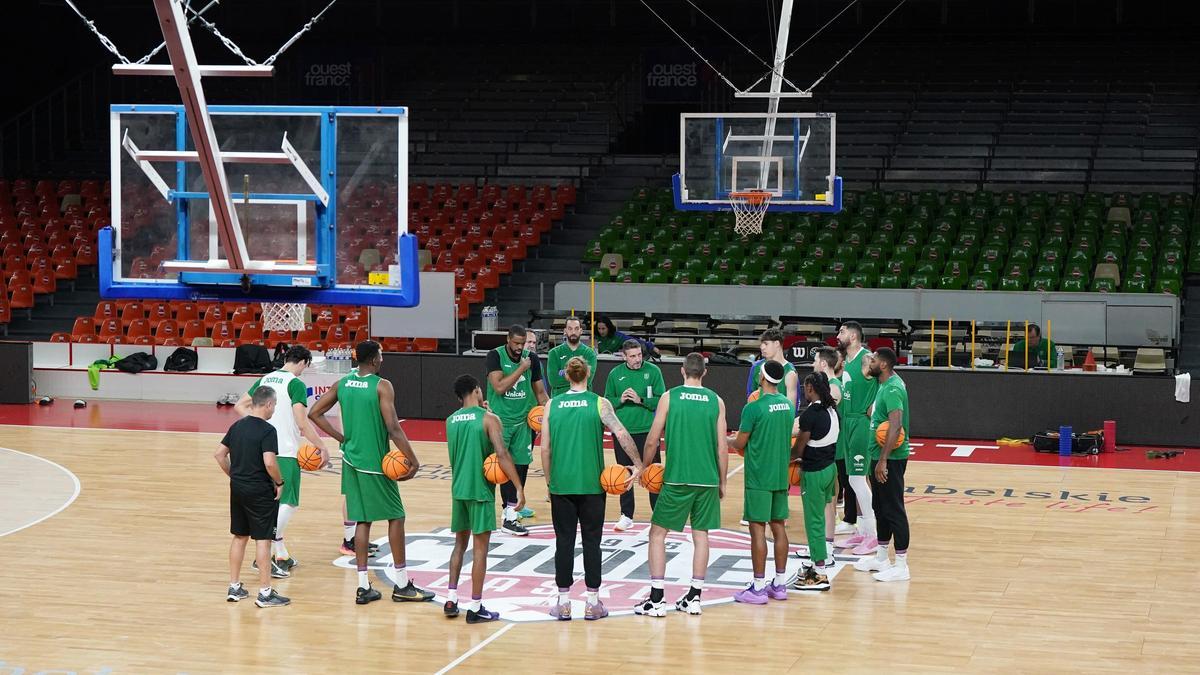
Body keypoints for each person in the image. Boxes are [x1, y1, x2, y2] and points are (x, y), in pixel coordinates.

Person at [309, 340, 435, 604]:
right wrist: (413, 459)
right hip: (376, 464)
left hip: (351, 461)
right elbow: (393, 428)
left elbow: (315, 412)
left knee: (363, 521)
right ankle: (402, 585)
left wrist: (342, 438)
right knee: (397, 517)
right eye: (380, 355)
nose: (382, 359)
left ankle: (363, 586)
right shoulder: (381, 385)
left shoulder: (343, 383)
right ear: (374, 359)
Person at [540, 357, 643, 621]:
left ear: (566, 376)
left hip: (562, 485)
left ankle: (563, 604)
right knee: (592, 544)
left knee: (563, 543)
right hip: (592, 487)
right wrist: (638, 463)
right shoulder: (600, 403)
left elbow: (545, 448)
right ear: (588, 374)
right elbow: (621, 433)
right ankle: (592, 603)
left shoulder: (552, 405)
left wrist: (550, 482)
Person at [634, 353, 727, 618]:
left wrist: (643, 468)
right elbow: (722, 447)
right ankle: (695, 597)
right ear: (704, 373)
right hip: (707, 479)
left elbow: (652, 440)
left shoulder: (670, 397)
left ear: (683, 371)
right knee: (701, 536)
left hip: (677, 479)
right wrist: (721, 481)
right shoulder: (716, 401)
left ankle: (656, 599)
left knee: (657, 535)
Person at [233, 345, 330, 576]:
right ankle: (264, 555)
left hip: (261, 450)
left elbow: (240, 406)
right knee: (289, 501)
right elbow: (302, 422)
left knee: (272, 503)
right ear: (304, 363)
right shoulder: (295, 383)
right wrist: (321, 445)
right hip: (284, 451)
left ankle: (281, 554)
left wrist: (259, 426)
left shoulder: (266, 378)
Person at [444, 374, 526, 623]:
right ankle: (476, 606)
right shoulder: (488, 419)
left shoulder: (450, 420)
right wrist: (518, 487)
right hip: (480, 491)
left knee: (459, 545)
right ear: (478, 391)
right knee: (480, 551)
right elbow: (500, 454)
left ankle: (451, 598)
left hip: (458, 490)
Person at [214, 386, 290, 608]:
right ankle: (265, 593)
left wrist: (234, 474)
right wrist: (279, 482)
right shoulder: (268, 430)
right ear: (267, 404)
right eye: (274, 406)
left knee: (239, 536)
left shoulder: (237, 426)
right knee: (263, 540)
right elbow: (269, 462)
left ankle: (234, 586)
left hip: (237, 488)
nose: (274, 410)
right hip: (259, 490)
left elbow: (219, 454)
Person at [726, 360, 793, 604]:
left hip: (758, 476)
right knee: (779, 527)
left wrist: (726, 442)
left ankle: (757, 587)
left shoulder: (753, 408)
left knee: (757, 530)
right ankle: (781, 584)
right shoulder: (787, 405)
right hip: (780, 475)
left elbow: (741, 443)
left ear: (762, 379)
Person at [854, 348, 913, 582]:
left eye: (875, 359)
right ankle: (881, 558)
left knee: (894, 509)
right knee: (880, 508)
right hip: (878, 455)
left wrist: (883, 460)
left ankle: (901, 565)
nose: (871, 361)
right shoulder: (884, 384)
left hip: (891, 459)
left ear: (885, 365)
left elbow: (896, 425)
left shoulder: (893, 388)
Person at [486, 325, 549, 533]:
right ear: (508, 340)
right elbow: (499, 387)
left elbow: (540, 392)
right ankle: (487, 513)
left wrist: (550, 416)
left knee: (520, 468)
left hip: (524, 422)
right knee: (498, 470)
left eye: (523, 344)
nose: (520, 348)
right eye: (516, 343)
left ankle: (509, 515)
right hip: (499, 422)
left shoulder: (533, 359)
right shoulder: (495, 355)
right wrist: (522, 368)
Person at [603, 338, 667, 530]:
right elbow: (606, 402)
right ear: (624, 356)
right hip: (623, 432)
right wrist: (620, 399)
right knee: (625, 472)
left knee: (653, 473)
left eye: (639, 355)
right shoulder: (615, 374)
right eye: (632, 356)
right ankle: (626, 515)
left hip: (648, 431)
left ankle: (658, 514)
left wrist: (641, 400)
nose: (637, 359)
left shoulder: (653, 371)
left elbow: (662, 401)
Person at [791, 372, 841, 591]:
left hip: (814, 473)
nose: (803, 390)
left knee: (814, 522)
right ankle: (815, 563)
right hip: (830, 470)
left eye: (805, 387)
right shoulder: (832, 410)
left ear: (810, 388)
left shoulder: (810, 414)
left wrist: (781, 457)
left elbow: (798, 450)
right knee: (819, 518)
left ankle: (819, 573)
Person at [836, 321, 879, 555]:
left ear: (853, 336)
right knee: (853, 480)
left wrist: (876, 407)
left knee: (858, 480)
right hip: (848, 422)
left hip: (862, 422)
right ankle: (862, 532)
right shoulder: (847, 362)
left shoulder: (866, 358)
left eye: (841, 331)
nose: (837, 335)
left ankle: (873, 535)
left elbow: (890, 381)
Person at [812, 346, 855, 536]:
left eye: (815, 360)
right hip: (834, 441)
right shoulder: (830, 383)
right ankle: (840, 519)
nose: (813, 364)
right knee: (837, 483)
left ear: (823, 363)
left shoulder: (834, 386)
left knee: (840, 483)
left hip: (835, 442)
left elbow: (823, 413)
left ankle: (851, 521)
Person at [746, 329, 800, 410]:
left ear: (777, 343)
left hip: (780, 419)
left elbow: (792, 408)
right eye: (761, 344)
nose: (762, 347)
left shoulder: (790, 372)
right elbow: (750, 395)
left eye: (766, 344)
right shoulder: (756, 367)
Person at [546, 316, 597, 396]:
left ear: (581, 331)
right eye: (570, 329)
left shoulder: (590, 353)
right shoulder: (554, 353)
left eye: (576, 329)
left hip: (583, 400)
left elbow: (588, 379)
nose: (573, 332)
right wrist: (578, 376)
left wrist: (565, 373)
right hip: (560, 400)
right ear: (565, 331)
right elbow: (553, 381)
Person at [594, 315, 658, 357]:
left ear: (609, 327)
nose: (601, 331)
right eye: (599, 329)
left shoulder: (617, 336)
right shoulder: (595, 337)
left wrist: (651, 347)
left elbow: (635, 341)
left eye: (603, 329)